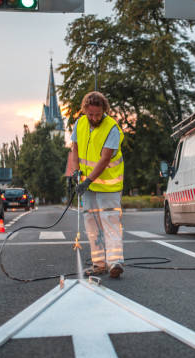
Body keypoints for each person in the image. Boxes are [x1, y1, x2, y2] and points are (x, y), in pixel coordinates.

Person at [71, 92, 125, 278]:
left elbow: (105, 159)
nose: (94, 118)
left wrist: (87, 181)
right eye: (91, 114)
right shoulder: (79, 124)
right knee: (92, 225)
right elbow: (75, 149)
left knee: (110, 222)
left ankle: (115, 262)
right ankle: (99, 264)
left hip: (108, 186)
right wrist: (76, 171)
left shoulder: (112, 129)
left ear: (104, 111)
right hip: (89, 186)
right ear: (85, 110)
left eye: (98, 114)